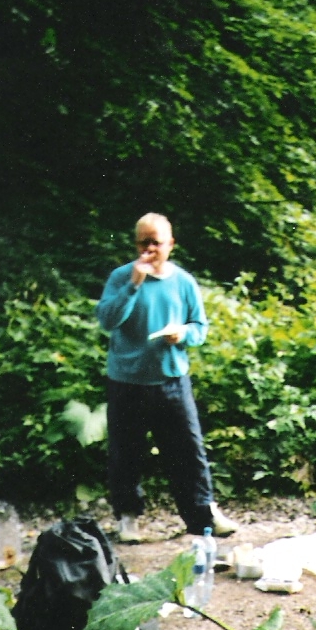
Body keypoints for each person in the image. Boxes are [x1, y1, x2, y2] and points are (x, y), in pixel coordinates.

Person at [96, 212, 239, 543]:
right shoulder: (121, 277)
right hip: (127, 380)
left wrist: (183, 334)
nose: (148, 250)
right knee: (125, 452)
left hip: (171, 379)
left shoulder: (184, 282)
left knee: (188, 449)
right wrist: (134, 285)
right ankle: (127, 518)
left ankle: (203, 515)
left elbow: (200, 327)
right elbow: (108, 320)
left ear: (170, 244)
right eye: (142, 243)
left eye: (155, 243)